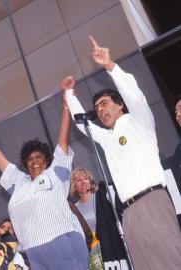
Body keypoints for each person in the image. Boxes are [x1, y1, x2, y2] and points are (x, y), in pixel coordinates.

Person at [63, 36, 181, 270]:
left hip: (152, 202)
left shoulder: (139, 121)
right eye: (97, 108)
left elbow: (135, 96)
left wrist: (110, 66)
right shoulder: (107, 138)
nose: (100, 109)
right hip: (128, 213)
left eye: (105, 103)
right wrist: (68, 96)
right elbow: (82, 125)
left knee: (172, 260)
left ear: (120, 105)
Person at [0, 90, 89, 270]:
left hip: (63, 242)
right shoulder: (19, 182)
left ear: (47, 160)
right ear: (25, 163)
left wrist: (66, 103)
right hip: (33, 252)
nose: (35, 162)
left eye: (39, 157)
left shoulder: (55, 173)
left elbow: (63, 139)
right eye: (30, 159)